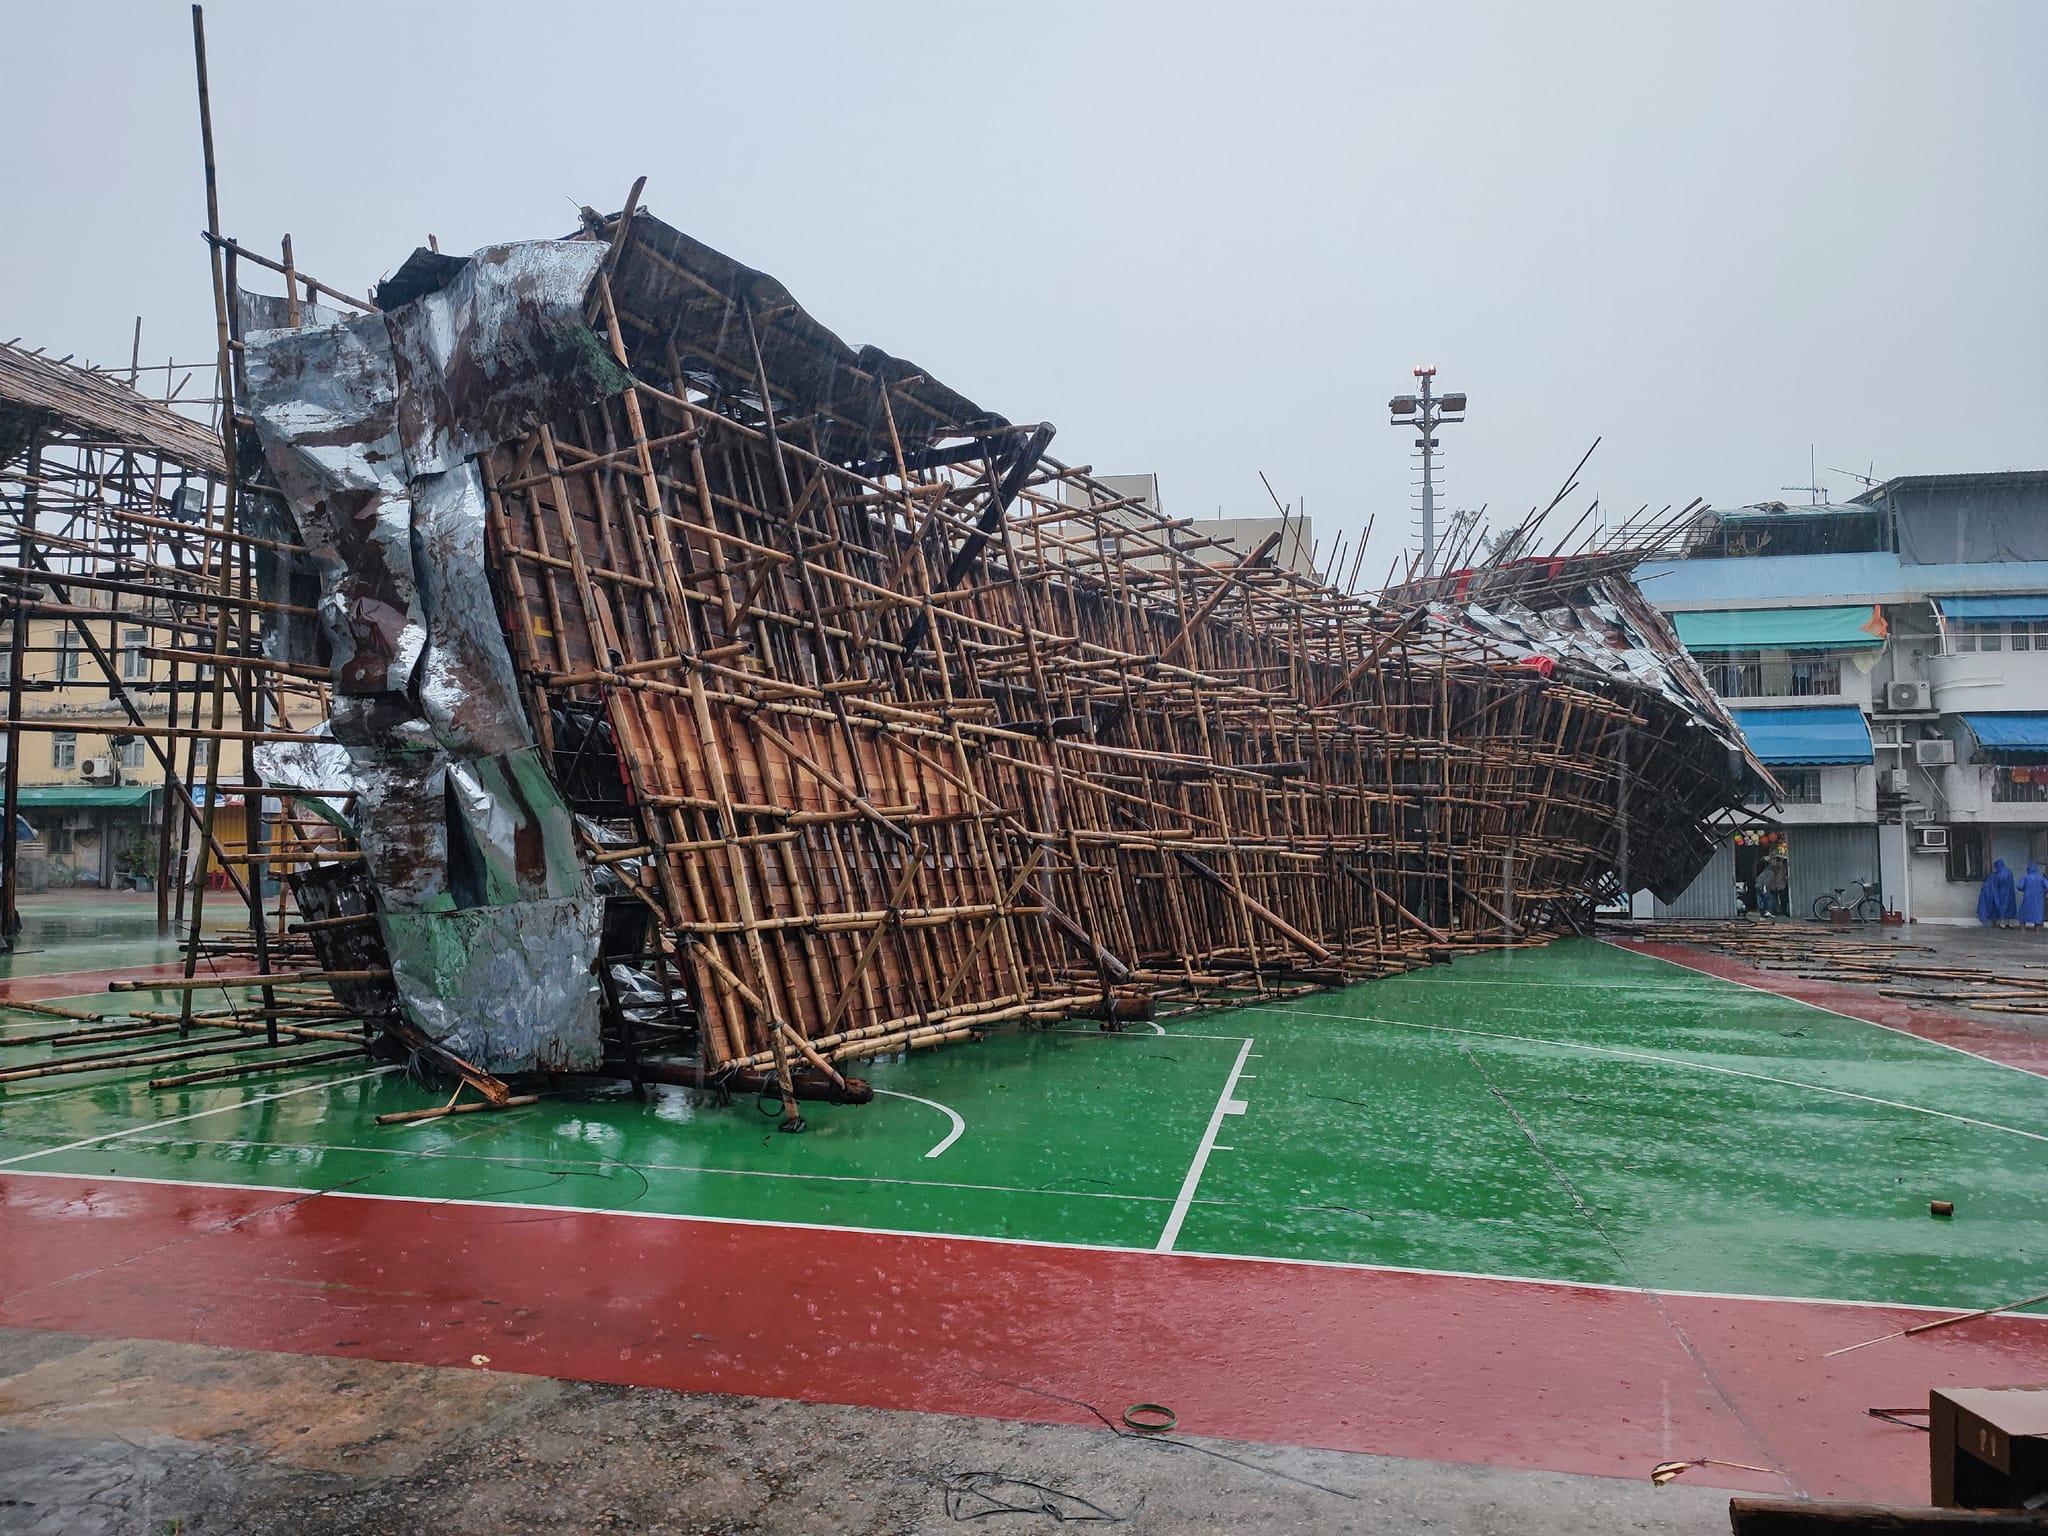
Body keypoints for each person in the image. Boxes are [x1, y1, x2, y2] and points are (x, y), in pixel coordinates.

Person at [1979, 858, 2018, 927]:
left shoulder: (1998, 875)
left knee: (2002, 907)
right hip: (2010, 893)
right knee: (2009, 907)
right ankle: (2009, 923)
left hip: (2002, 893)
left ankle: (2003, 923)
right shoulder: (2009, 872)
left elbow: (1995, 885)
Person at [1760, 851, 1789, 919]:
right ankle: (1774, 911)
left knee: (1783, 899)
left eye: (1778, 860)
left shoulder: (1783, 868)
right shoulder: (1770, 868)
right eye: (1776, 860)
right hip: (1773, 886)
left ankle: (1783, 911)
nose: (1777, 862)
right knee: (1774, 900)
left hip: (1781, 885)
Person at [2021, 863, 2047, 932]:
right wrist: (2043, 891)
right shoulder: (2041, 878)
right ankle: (2037, 929)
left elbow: (2019, 886)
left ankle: (2023, 928)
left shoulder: (2026, 877)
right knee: (2037, 913)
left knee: (2024, 912)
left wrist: (2025, 889)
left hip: (2028, 897)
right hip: (2038, 898)